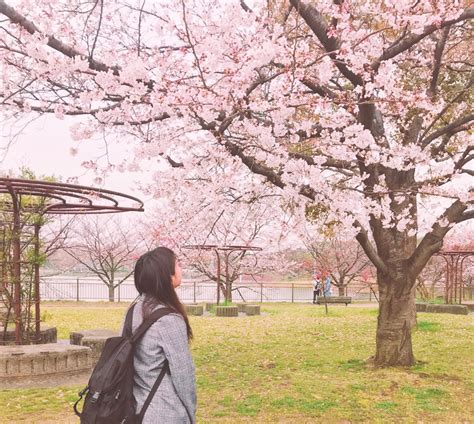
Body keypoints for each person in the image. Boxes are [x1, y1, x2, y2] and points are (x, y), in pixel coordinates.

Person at [127, 247, 197, 423]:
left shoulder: (133, 310)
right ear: (167, 275)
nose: (181, 269)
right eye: (178, 265)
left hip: (135, 406)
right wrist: (190, 412)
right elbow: (183, 374)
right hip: (165, 411)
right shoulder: (170, 319)